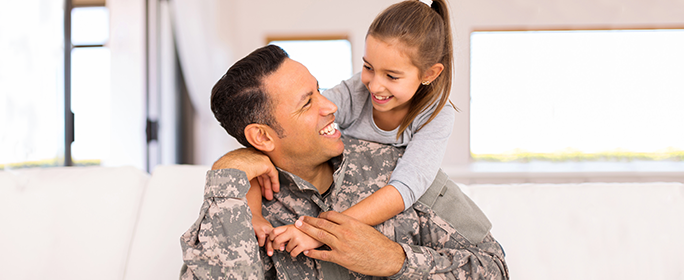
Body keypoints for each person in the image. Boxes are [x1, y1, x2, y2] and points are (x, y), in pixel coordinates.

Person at [179, 44, 507, 279]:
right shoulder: (238, 205)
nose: (331, 107)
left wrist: (395, 260)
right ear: (262, 137)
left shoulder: (400, 168)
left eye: (319, 90)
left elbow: (494, 269)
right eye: (307, 104)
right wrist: (227, 175)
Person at [248, 0, 459, 255]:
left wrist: (317, 233)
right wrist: (253, 213)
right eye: (368, 67)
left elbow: (405, 188)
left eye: (392, 76)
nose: (374, 85)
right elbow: (291, 132)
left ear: (429, 74)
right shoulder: (357, 89)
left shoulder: (436, 114)